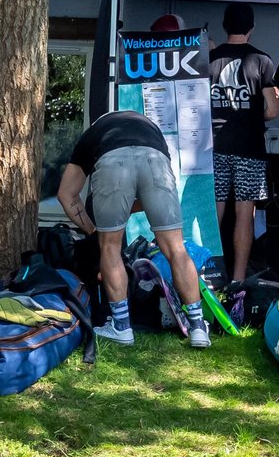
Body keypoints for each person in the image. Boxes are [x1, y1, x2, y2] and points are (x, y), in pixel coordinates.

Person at [56, 109, 210, 349]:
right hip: (156, 161)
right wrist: (126, 208)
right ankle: (198, 327)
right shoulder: (151, 129)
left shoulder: (92, 134)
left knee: (110, 248)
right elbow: (148, 194)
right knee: (176, 249)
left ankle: (121, 327)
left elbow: (66, 194)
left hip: (111, 164)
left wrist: (94, 231)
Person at [204, 2, 279, 287]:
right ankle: (238, 279)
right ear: (252, 28)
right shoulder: (262, 60)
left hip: (213, 146)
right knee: (244, 214)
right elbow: (274, 109)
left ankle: (207, 274)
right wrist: (253, 114)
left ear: (225, 26)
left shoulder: (208, 59)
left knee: (213, 212)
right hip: (249, 146)